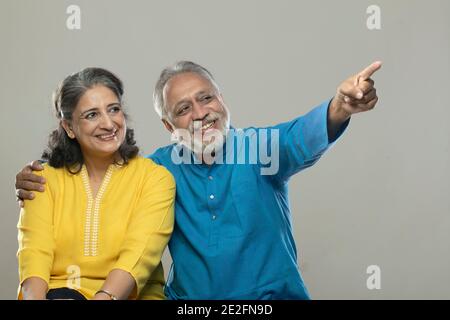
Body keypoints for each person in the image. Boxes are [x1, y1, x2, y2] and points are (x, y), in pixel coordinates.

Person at [16, 60, 381, 299]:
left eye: (206, 98)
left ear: (222, 100)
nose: (200, 113)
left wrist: (340, 107)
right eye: (183, 109)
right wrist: (38, 175)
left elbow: (303, 135)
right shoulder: (157, 169)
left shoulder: (262, 149)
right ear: (168, 125)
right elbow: (98, 183)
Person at [16, 67, 175, 300]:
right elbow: (34, 255)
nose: (109, 124)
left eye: (114, 110)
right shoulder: (42, 179)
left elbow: (139, 255)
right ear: (69, 127)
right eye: (92, 115)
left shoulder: (155, 179)